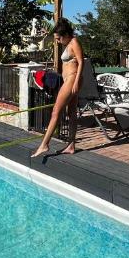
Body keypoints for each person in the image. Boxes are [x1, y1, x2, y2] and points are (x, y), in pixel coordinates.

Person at [33, 17, 83, 156]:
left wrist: (77, 81)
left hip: (72, 79)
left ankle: (44, 144)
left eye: (58, 38)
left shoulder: (74, 42)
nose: (57, 41)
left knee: (56, 111)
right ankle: (71, 145)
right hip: (69, 79)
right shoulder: (68, 44)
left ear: (65, 35)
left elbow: (81, 62)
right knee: (71, 112)